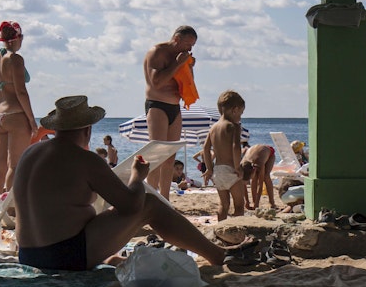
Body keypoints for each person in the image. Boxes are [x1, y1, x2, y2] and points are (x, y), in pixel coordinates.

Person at [13, 95, 250, 271]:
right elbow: (131, 206)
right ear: (87, 129)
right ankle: (217, 255)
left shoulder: (30, 153)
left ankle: (111, 259)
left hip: (28, 255)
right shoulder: (84, 159)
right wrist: (138, 176)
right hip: (63, 256)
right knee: (149, 204)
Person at [143, 25, 198, 200]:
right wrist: (178, 63)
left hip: (175, 107)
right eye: (187, 44)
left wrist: (189, 67)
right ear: (176, 39)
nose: (189, 49)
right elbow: (156, 82)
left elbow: (188, 83)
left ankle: (165, 200)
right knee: (156, 157)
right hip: (157, 105)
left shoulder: (181, 57)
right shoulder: (158, 52)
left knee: (169, 159)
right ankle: (151, 199)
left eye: (192, 45)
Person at [0, 21, 38, 194]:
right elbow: (21, 92)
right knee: (15, 166)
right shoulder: (15, 59)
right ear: (18, 38)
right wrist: (32, 120)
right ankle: (9, 205)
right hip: (16, 114)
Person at [202, 90, 247, 221]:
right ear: (235, 110)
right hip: (231, 170)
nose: (240, 117)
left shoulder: (213, 128)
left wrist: (209, 168)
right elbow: (236, 147)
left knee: (224, 204)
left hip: (218, 172)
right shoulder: (234, 126)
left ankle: (220, 227)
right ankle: (236, 229)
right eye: (241, 113)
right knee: (239, 205)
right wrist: (238, 167)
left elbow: (205, 149)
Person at [242, 144, 277, 210]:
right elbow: (243, 184)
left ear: (254, 170)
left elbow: (260, 185)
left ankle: (272, 202)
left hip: (269, 152)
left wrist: (257, 204)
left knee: (266, 177)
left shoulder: (260, 163)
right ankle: (254, 201)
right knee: (254, 179)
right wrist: (247, 202)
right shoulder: (242, 165)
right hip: (255, 153)